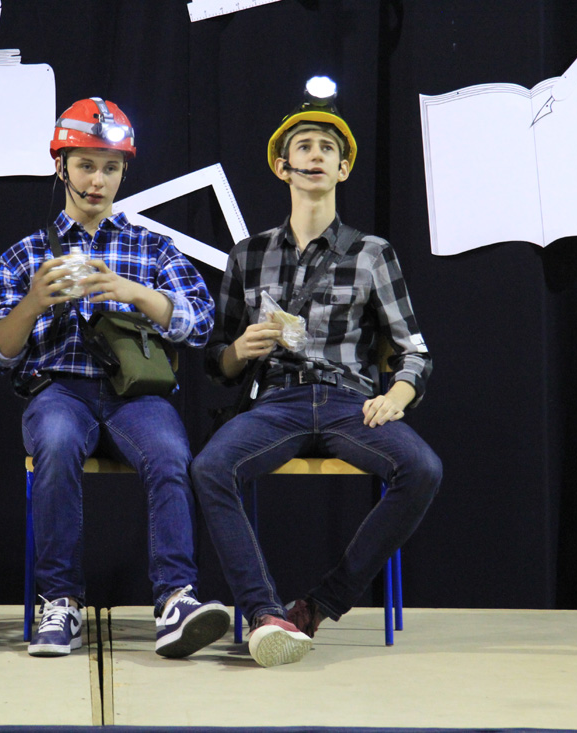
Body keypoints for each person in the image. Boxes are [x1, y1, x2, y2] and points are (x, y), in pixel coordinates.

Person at [191, 78, 442, 668]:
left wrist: (400, 392)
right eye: (303, 146)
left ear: (343, 168)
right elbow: (216, 361)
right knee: (209, 467)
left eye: (328, 148)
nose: (315, 156)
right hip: (275, 403)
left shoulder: (371, 252)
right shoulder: (248, 254)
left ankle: (318, 605)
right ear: (283, 166)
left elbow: (414, 350)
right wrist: (240, 349)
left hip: (348, 402)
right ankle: (265, 614)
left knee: (422, 469)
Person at [0, 97, 229, 658]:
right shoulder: (26, 254)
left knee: (170, 453)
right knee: (56, 443)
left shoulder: (153, 247)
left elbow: (200, 323)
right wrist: (33, 303)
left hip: (135, 395)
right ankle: (60, 601)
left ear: (123, 173)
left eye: (110, 168)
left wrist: (136, 293)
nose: (97, 180)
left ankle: (176, 600)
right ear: (60, 166)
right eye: (86, 165)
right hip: (58, 389)